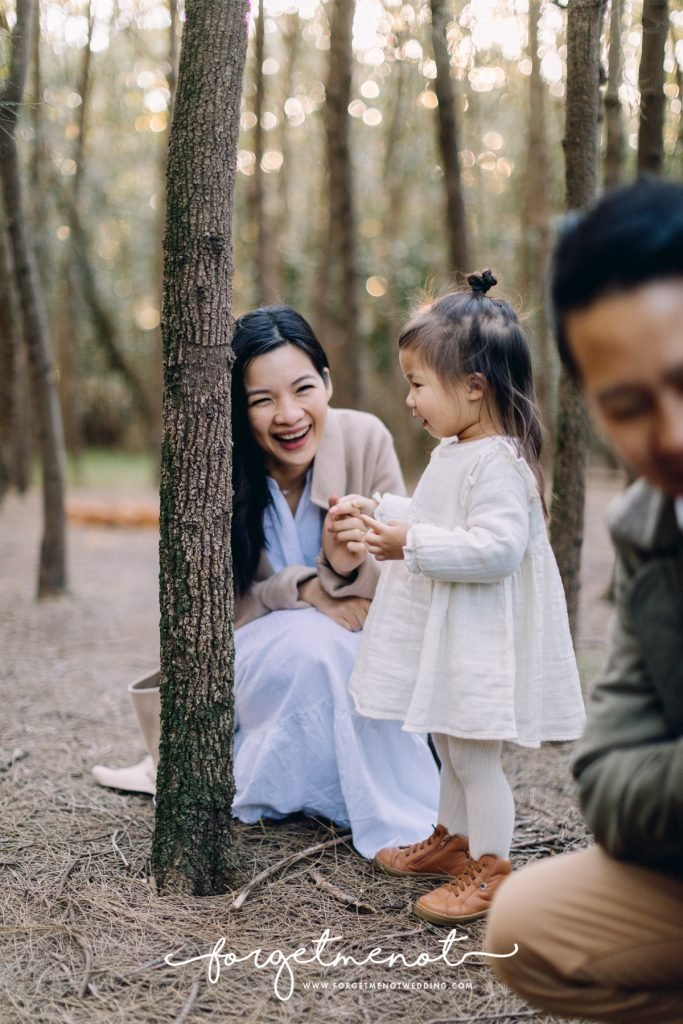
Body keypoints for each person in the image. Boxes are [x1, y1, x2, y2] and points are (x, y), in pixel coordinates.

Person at [93, 306, 439, 859]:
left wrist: (345, 566)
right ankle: (286, 786)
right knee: (315, 645)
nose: (289, 414)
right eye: (262, 400)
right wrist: (304, 590)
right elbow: (209, 609)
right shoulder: (213, 464)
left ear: (327, 383)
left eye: (303, 389)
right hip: (252, 661)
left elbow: (398, 582)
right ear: (238, 408)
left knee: (333, 649)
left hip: (361, 653)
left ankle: (335, 792)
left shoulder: (366, 439)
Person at [485, 179, 683, 1023]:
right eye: (629, 405)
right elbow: (604, 778)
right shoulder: (652, 525)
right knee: (528, 926)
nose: (670, 434)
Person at [334, 271, 584, 924]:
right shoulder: (457, 448)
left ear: (474, 387)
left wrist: (407, 543)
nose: (410, 399)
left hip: (480, 643)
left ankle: (492, 868)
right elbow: (434, 512)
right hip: (454, 635)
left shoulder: (499, 463)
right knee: (449, 744)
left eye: (418, 384)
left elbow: (493, 549)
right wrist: (382, 510)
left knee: (474, 759)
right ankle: (453, 841)